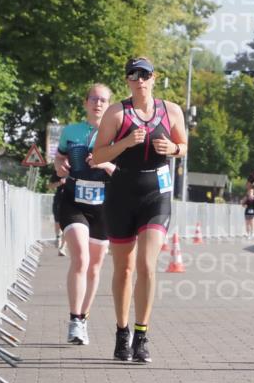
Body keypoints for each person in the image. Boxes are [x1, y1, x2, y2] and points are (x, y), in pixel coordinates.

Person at [92, 57, 188, 363]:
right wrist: (125, 143)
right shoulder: (116, 113)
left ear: (153, 77)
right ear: (127, 81)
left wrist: (173, 149)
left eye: (144, 74)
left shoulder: (171, 111)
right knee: (124, 269)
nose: (140, 80)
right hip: (121, 194)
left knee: (147, 264)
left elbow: (184, 146)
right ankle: (122, 333)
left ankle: (141, 336)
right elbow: (97, 156)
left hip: (156, 194)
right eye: (133, 75)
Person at [53, 84, 116, 345]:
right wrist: (60, 166)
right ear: (85, 102)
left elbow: (123, 173)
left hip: (104, 205)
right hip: (74, 201)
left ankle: (83, 318)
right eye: (93, 99)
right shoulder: (71, 131)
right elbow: (58, 161)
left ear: (110, 105)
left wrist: (106, 164)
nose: (98, 104)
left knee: (94, 266)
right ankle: (74, 320)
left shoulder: (117, 134)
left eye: (103, 100)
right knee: (80, 258)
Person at [48, 171, 66, 255]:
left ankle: (63, 247)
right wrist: (59, 183)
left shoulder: (78, 170)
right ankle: (58, 237)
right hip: (59, 199)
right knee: (58, 221)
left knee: (68, 225)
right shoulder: (58, 171)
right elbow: (49, 186)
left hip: (73, 201)